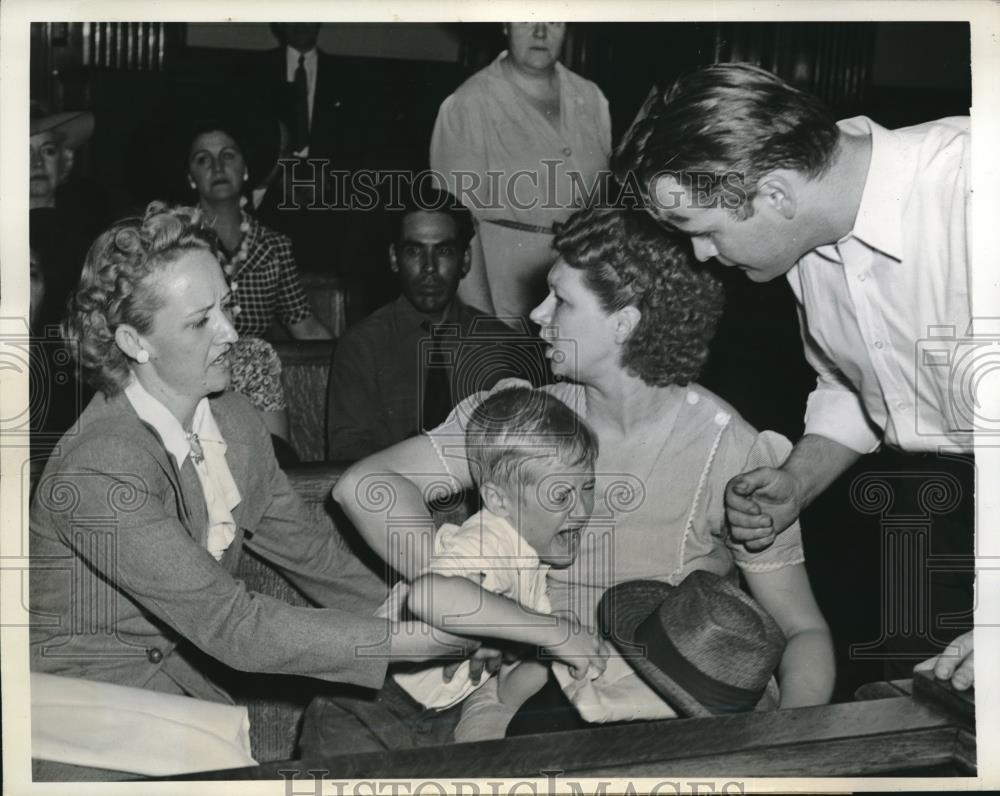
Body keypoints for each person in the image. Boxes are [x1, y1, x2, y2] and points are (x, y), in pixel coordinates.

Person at [300, 205, 833, 753]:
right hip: (528, 692)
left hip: (671, 707)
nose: (536, 313)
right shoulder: (522, 419)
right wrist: (481, 604)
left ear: (624, 322)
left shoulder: (732, 451)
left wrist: (788, 749)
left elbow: (801, 632)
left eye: (561, 299)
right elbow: (365, 487)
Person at [29, 203, 475, 777]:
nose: (232, 332)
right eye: (200, 321)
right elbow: (231, 626)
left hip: (175, 703)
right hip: (79, 723)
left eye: (228, 306)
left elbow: (313, 556)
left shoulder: (232, 419)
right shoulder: (100, 468)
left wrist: (432, 613)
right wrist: (410, 644)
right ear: (134, 342)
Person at [617, 62, 975, 690]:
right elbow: (857, 384)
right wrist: (798, 481)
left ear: (776, 195)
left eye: (703, 232)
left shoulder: (975, 185)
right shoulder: (811, 227)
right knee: (922, 718)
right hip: (934, 509)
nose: (702, 256)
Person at [379, 386, 605, 742]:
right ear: (498, 500)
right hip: (368, 702)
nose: (581, 510)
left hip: (435, 715)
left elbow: (509, 683)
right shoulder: (488, 541)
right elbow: (427, 596)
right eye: (561, 495)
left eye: (588, 487)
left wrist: (564, 657)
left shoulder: (533, 564)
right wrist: (551, 632)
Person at [326, 188, 547, 461]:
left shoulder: (502, 344)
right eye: (414, 251)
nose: (429, 267)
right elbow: (346, 450)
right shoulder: (362, 346)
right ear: (395, 259)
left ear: (465, 260)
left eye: (443, 251)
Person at [430, 22, 611, 321]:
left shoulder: (591, 98)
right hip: (505, 302)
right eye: (526, 16)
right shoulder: (468, 105)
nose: (540, 32)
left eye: (553, 19)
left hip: (578, 297)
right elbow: (455, 229)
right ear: (504, 23)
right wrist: (486, 329)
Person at [185, 119, 332, 457]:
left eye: (228, 156)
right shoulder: (179, 242)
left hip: (254, 381)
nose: (218, 166)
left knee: (273, 461)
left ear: (247, 169)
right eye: (203, 159)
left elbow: (304, 324)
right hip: (193, 376)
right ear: (190, 177)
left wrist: (349, 357)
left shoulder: (275, 245)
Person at [29, 103, 109, 331]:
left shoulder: (89, 236)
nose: (37, 162)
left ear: (65, 162)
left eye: (48, 151)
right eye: (25, 152)